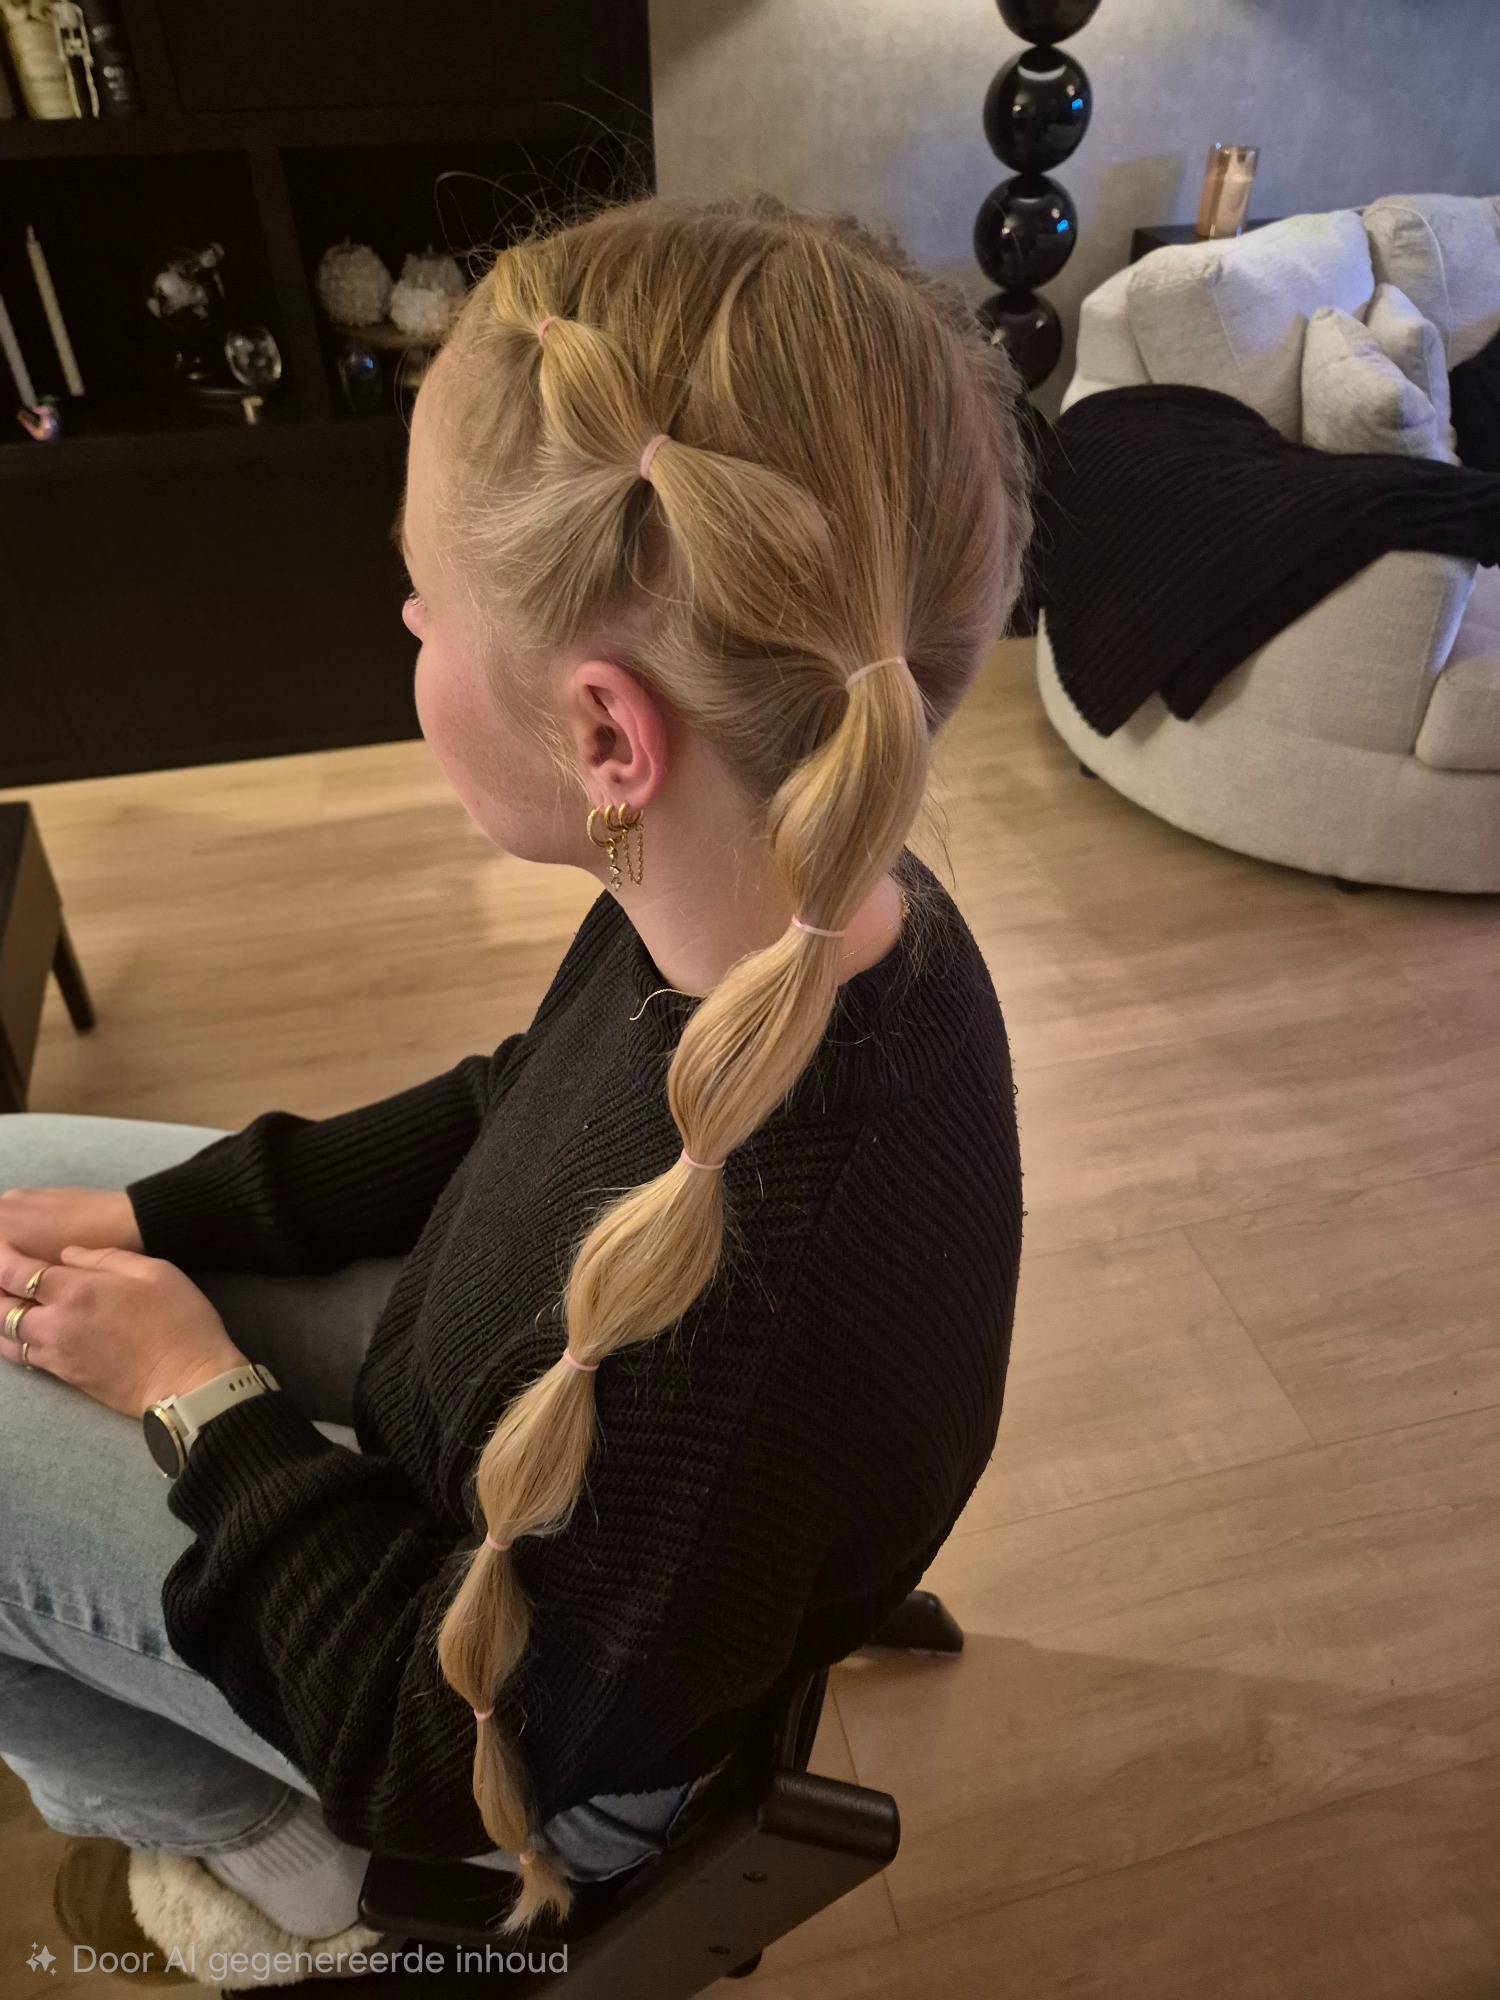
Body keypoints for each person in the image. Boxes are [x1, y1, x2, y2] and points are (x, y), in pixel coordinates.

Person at [0, 190, 1030, 1960]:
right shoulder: (785, 900)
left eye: (424, 613)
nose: (406, 623)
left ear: (609, 732)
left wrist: (197, 1397)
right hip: (473, 1407)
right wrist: (166, 1214)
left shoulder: (740, 1329)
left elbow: (435, 1745)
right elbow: (511, 1104)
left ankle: (289, 1879)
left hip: (483, 1765)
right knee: (20, 1164)